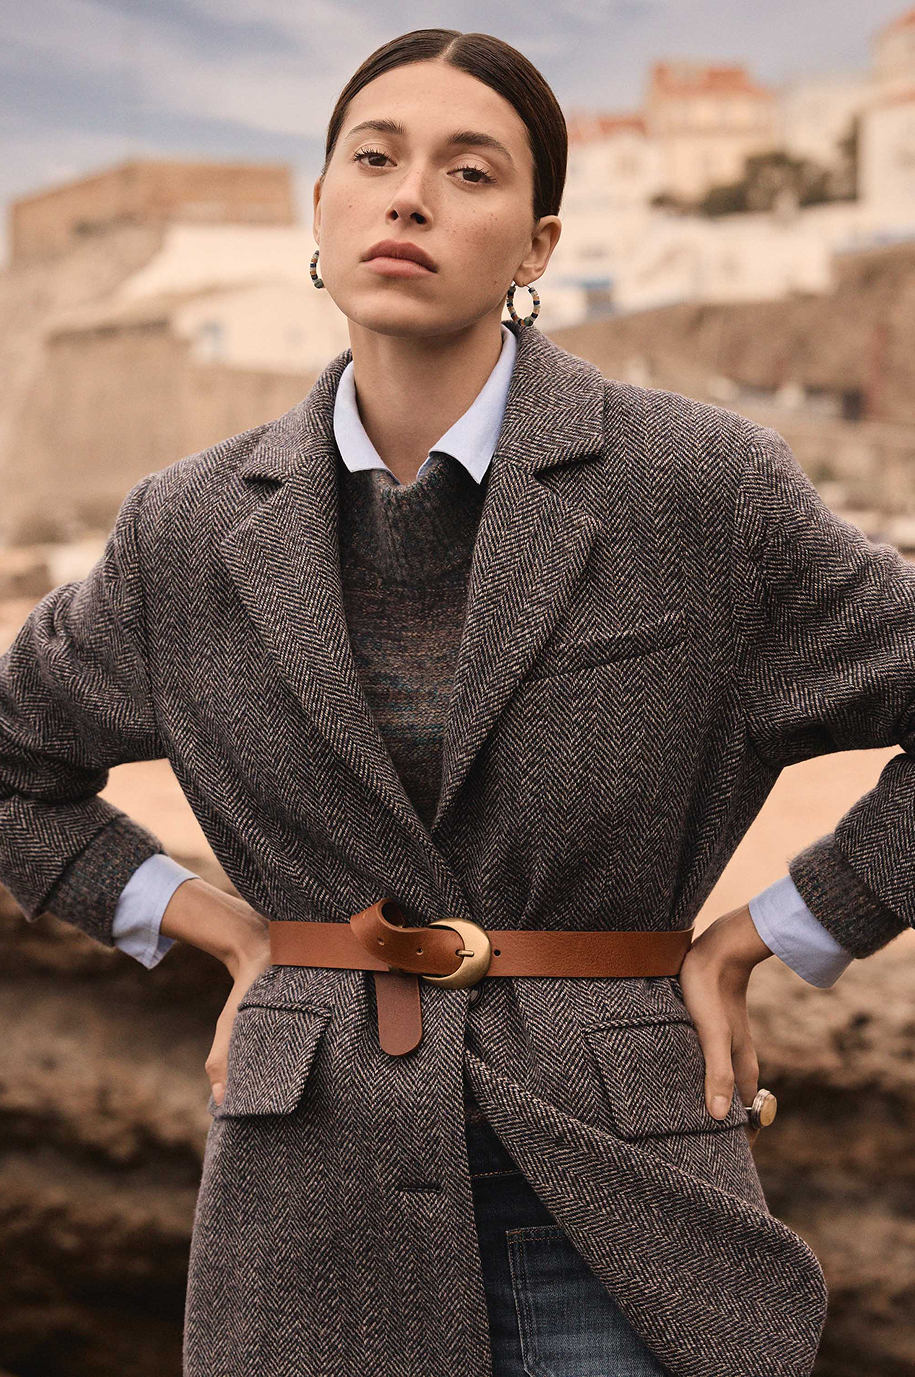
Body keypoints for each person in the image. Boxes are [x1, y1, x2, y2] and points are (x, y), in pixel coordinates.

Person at [1, 26, 913, 1377]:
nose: (410, 197)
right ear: (320, 205)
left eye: (469, 171)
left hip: (623, 1194)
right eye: (374, 158)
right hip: (304, 1205)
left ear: (538, 246)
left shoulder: (699, 492)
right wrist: (227, 933)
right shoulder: (183, 533)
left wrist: (777, 932)